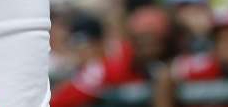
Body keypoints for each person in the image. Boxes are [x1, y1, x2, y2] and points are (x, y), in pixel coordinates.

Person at [51, 7, 179, 107]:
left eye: (155, 41)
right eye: (141, 41)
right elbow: (58, 101)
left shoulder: (178, 66)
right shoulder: (109, 67)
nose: (147, 48)